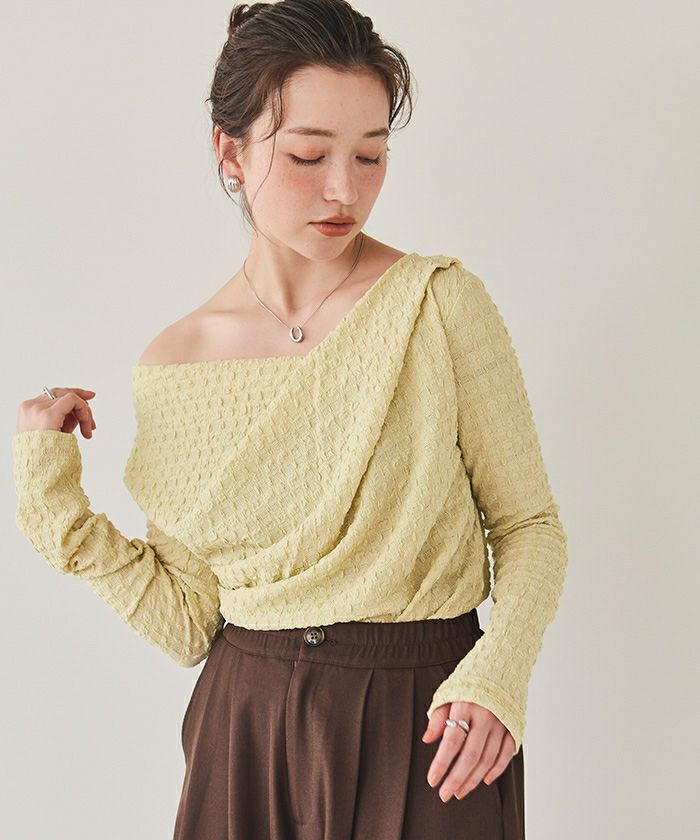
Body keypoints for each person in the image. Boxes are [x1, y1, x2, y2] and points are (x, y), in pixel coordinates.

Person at [12, 1, 568, 838]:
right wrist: (55, 507)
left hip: (429, 719)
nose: (346, 189)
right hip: (249, 726)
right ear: (229, 152)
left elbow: (529, 526)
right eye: (308, 155)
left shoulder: (438, 304)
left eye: (371, 154)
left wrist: (499, 675)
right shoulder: (177, 364)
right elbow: (189, 623)